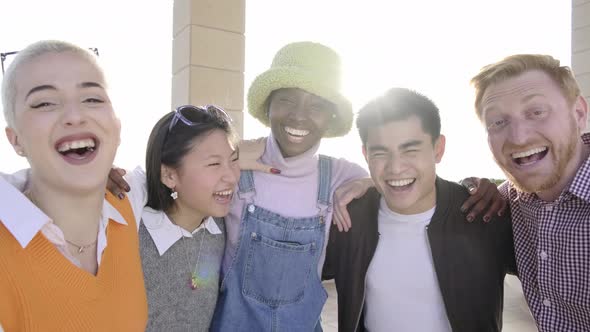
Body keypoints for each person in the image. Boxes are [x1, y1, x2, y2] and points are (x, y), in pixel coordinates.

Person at [209, 41, 505, 331]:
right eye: (286, 99)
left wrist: (477, 186)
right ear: (268, 105)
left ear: (331, 117)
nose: (299, 115)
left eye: (316, 105)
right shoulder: (231, 171)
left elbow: (389, 180)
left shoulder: (342, 177)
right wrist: (226, 156)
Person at [322, 88, 517, 332]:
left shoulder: (482, 215)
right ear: (366, 155)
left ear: (438, 149)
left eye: (410, 150)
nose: (395, 168)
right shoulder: (348, 219)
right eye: (380, 153)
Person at [0, 40, 147, 331]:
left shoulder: (128, 203)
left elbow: (194, 160)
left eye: (92, 98)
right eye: (44, 103)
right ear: (15, 138)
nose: (75, 116)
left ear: (116, 126)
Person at [471, 54, 590, 331]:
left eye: (536, 112)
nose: (519, 137)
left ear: (579, 114)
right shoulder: (506, 200)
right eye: (498, 122)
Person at [138, 105, 239, 330]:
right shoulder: (130, 234)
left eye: (233, 160)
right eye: (214, 164)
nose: (231, 176)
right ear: (169, 175)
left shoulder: (221, 227)